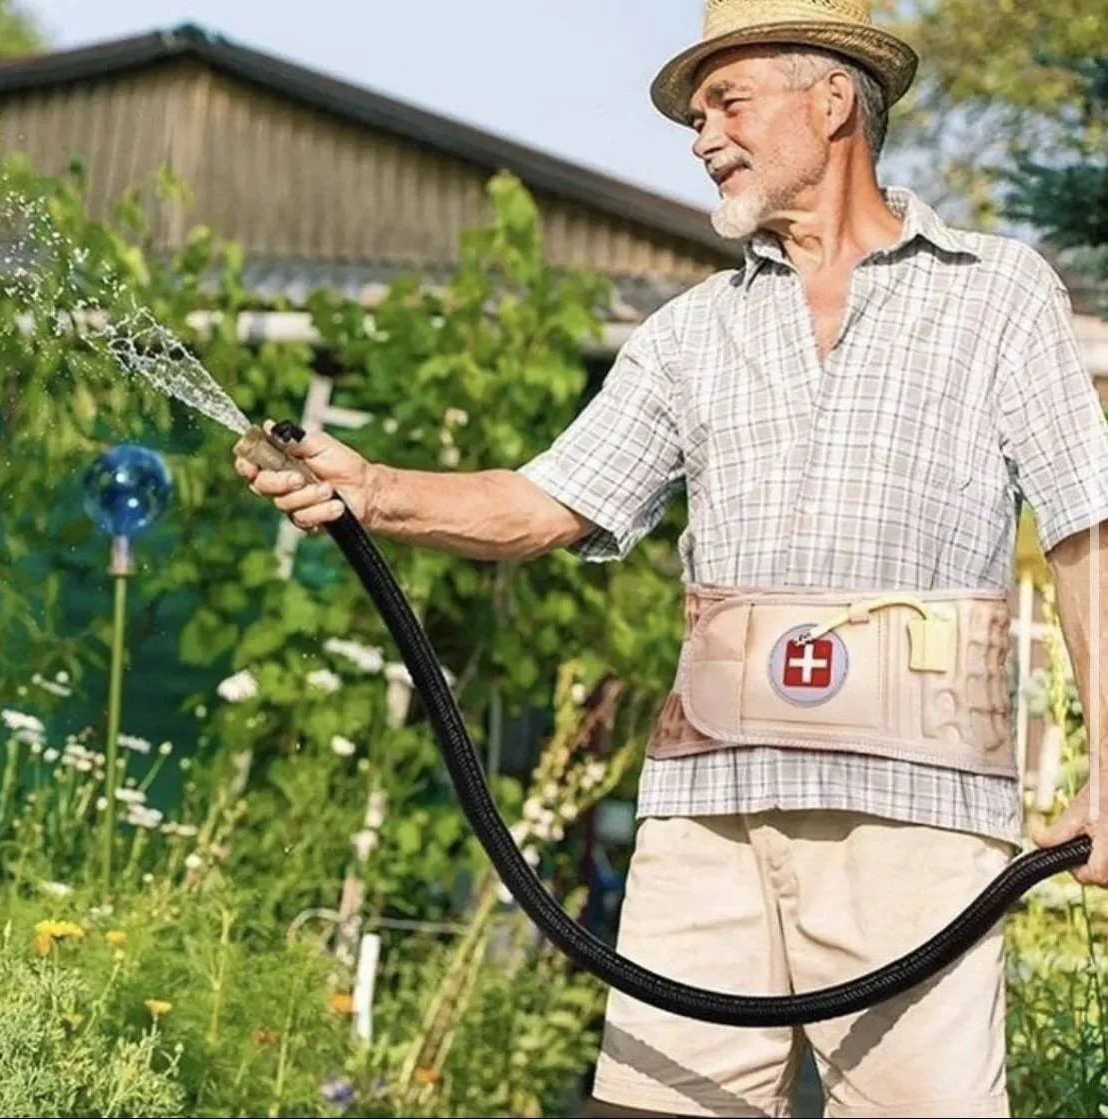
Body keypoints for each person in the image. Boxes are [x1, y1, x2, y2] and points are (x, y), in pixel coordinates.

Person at [235, 1, 1108, 1113]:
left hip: (917, 823)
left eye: (727, 102)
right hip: (710, 821)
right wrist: (372, 490)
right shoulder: (691, 331)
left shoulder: (997, 294)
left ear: (832, 99)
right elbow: (547, 502)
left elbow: (1089, 525)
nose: (702, 137)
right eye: (696, 115)